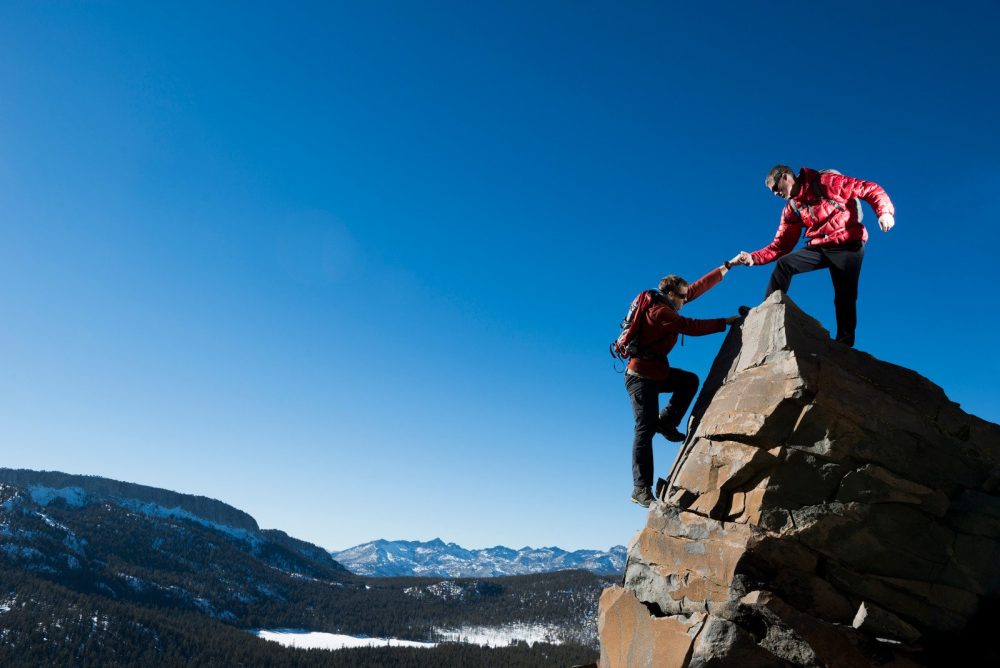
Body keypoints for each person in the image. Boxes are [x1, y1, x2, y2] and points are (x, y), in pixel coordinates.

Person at [734, 165, 895, 347]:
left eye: (775, 188)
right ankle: (766, 310)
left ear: (785, 177)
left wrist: (884, 212)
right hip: (821, 247)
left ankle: (844, 342)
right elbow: (781, 245)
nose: (776, 193)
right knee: (784, 264)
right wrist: (753, 258)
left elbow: (869, 188)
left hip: (848, 245)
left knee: (844, 295)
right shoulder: (792, 208)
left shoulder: (825, 182)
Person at [625, 263, 741, 508]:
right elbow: (691, 326)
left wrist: (728, 266)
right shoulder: (660, 312)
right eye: (682, 296)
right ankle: (640, 489)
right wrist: (725, 321)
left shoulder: (670, 302)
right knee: (644, 430)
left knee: (689, 381)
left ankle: (667, 422)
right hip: (640, 378)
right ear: (670, 295)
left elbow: (697, 288)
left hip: (657, 373)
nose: (686, 299)